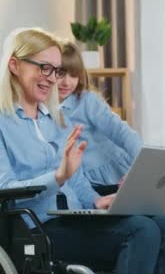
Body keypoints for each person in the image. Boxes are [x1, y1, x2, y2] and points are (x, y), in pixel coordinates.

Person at [0, 27, 165, 274]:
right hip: (35, 229)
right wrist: (57, 177)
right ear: (15, 65)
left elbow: (78, 182)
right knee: (142, 232)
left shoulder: (56, 120)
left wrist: (96, 201)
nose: (52, 78)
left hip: (72, 219)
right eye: (44, 68)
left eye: (56, 69)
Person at [58, 42, 142, 194]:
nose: (66, 82)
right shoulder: (43, 110)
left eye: (73, 75)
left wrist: (141, 164)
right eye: (61, 73)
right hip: (84, 183)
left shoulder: (87, 100)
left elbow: (121, 131)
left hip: (114, 175)